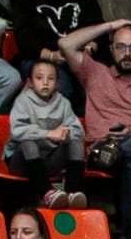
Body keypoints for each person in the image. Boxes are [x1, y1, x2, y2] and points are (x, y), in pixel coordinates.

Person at [59, 17, 131, 223]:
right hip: (103, 151)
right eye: (120, 47)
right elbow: (65, 44)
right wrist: (109, 26)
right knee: (130, 158)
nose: (127, 54)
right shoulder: (95, 73)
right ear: (111, 49)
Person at [14, 0, 104, 102]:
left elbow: (97, 27)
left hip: (80, 57)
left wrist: (90, 46)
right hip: (41, 58)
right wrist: (51, 55)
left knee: (99, 86)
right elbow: (24, 38)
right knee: (60, 88)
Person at [6, 58, 85, 202]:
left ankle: (73, 192)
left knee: (76, 141)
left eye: (51, 78)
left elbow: (77, 130)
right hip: (22, 162)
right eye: (39, 78)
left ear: (57, 83)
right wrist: (48, 133)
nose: (45, 82)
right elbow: (17, 131)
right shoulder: (22, 101)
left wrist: (65, 135)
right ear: (30, 82)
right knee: (27, 141)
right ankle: (48, 193)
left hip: (50, 160)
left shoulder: (63, 103)